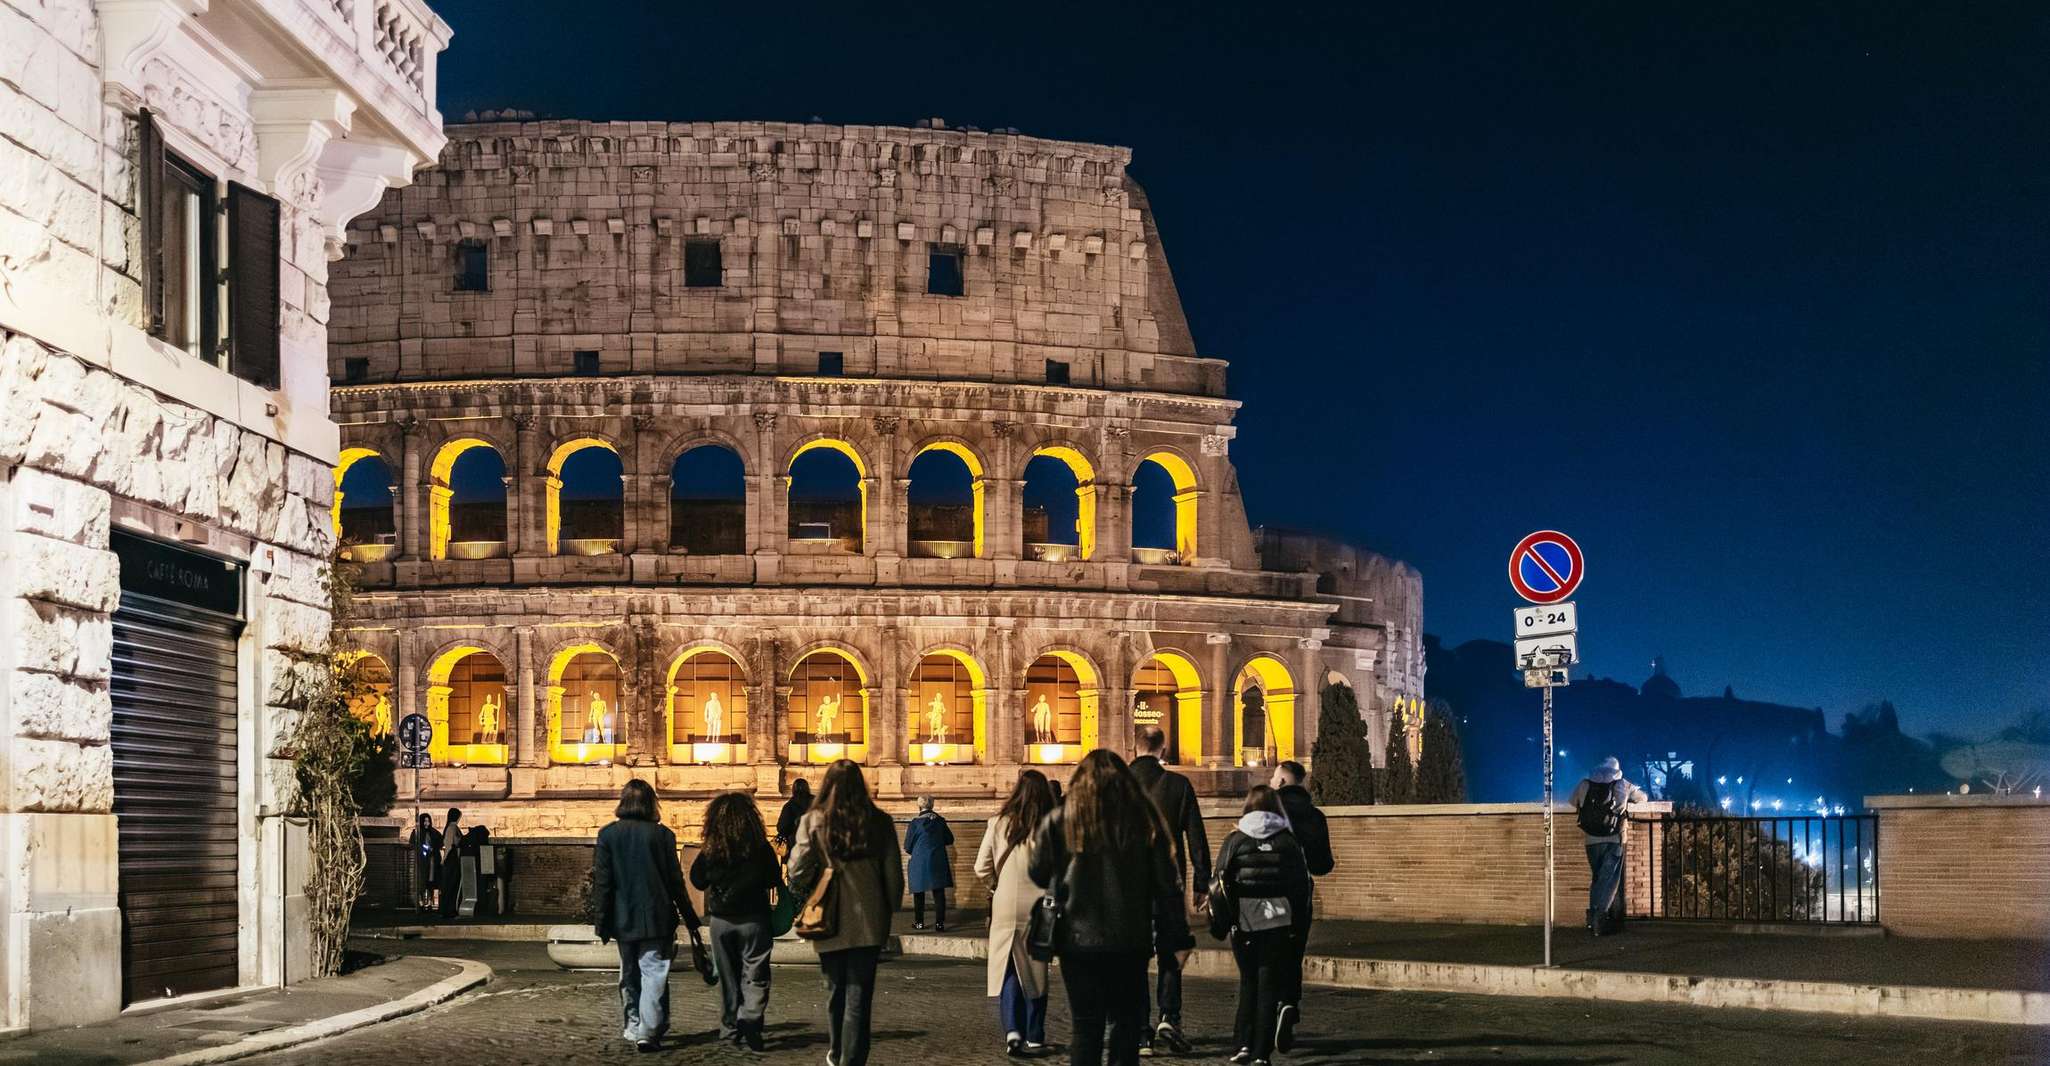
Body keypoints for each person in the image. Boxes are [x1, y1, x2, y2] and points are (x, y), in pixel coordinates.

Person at [1029, 749, 1192, 1066]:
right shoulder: (1144, 820)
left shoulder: (1061, 819)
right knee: (1126, 1026)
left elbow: (1037, 872)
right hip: (1130, 939)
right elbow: (1167, 886)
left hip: (1076, 941)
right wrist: (1178, 938)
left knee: (1086, 1027)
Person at [786, 760, 905, 1066]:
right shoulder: (879, 821)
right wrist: (889, 908)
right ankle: (851, 1059)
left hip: (828, 915)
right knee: (859, 996)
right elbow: (893, 876)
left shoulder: (814, 820)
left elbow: (797, 869)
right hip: (870, 917)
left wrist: (808, 884)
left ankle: (837, 1050)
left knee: (834, 989)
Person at [592, 779, 701, 1052]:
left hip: (623, 918)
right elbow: (675, 882)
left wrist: (601, 922)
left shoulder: (608, 835)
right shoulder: (663, 835)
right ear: (651, 803)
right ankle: (649, 1030)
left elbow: (603, 884)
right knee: (654, 973)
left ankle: (633, 1023)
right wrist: (690, 918)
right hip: (658, 915)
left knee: (629, 974)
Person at [1212, 786, 1313, 1066]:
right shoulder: (1288, 842)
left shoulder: (1235, 840)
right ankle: (1260, 1053)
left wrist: (1225, 919)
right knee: (1268, 984)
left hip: (1244, 920)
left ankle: (1242, 1044)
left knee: (1248, 982)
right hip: (1278, 921)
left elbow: (1220, 879)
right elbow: (1300, 886)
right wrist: (1297, 923)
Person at [1128, 725, 1208, 1056]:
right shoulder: (1178, 785)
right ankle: (1169, 1017)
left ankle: (1141, 1032)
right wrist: (1202, 883)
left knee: (1133, 958)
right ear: (1163, 749)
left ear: (1134, 748)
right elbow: (1196, 837)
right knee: (1171, 953)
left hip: (1128, 886)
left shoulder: (1119, 785)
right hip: (1170, 883)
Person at [690, 791, 784, 1051]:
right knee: (756, 972)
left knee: (729, 979)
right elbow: (774, 879)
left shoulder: (713, 847)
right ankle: (751, 1017)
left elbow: (697, 879)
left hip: (722, 920)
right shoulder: (760, 846)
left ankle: (729, 1029)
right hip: (754, 918)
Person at [976, 770, 1056, 1056]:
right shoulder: (1050, 826)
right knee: (1037, 971)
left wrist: (995, 883)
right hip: (1039, 905)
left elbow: (980, 867)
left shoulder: (997, 823)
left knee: (1009, 967)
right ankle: (1035, 1035)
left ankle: (1013, 1032)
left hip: (1006, 903)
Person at [1266, 760, 1331, 1040]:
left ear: (1281, 782)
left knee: (1267, 953)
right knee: (1294, 950)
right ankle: (1289, 1001)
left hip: (1266, 893)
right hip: (1300, 893)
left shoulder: (1266, 811)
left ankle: (1265, 1016)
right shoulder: (1315, 816)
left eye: (1273, 776)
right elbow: (1323, 865)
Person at [1569, 756, 1647, 936]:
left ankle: (1591, 918)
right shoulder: (1623, 784)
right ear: (1616, 769)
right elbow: (1643, 798)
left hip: (1591, 840)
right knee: (1610, 880)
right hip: (1614, 839)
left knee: (1597, 879)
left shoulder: (1585, 784)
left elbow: (1573, 802)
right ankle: (1599, 918)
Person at [904, 795, 955, 931]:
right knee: (939, 893)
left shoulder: (915, 823)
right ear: (932, 806)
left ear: (919, 806)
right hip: (937, 859)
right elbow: (950, 839)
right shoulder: (940, 821)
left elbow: (907, 846)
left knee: (919, 893)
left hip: (920, 861)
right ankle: (939, 924)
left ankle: (919, 923)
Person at [408, 812, 442, 910]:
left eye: (428, 821)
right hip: (421, 861)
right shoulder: (416, 832)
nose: (426, 823)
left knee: (431, 881)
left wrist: (433, 849)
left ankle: (431, 902)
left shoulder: (434, 832)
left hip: (432, 860)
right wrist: (424, 848)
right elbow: (413, 844)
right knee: (422, 881)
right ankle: (421, 902)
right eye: (425, 821)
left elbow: (440, 842)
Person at [436, 807, 464, 918]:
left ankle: (445, 910)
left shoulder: (449, 828)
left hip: (449, 859)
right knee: (451, 885)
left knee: (447, 886)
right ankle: (449, 910)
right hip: (452, 860)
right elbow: (454, 843)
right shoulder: (453, 828)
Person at [775, 778, 813, 853]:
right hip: (814, 845)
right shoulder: (816, 803)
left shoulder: (789, 805)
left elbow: (781, 827)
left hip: (795, 845)